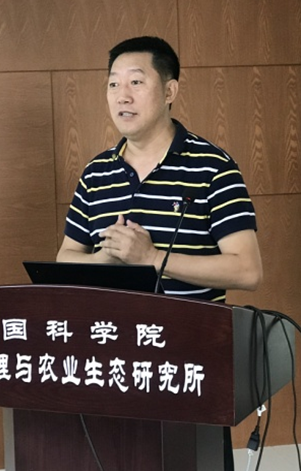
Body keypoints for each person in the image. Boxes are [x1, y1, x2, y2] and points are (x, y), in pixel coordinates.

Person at [57, 36, 262, 302]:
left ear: (169, 92)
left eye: (136, 82)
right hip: (109, 327)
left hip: (189, 328)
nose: (122, 97)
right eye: (114, 84)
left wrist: (151, 258)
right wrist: (103, 260)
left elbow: (248, 271)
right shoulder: (96, 173)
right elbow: (65, 258)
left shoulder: (214, 168)